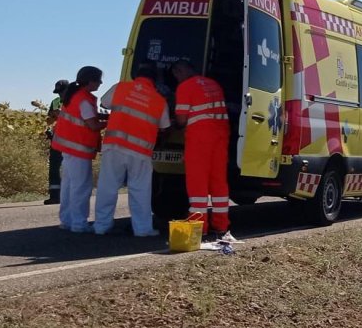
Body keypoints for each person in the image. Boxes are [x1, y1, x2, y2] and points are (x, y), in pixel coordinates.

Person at [94, 63, 169, 237]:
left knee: (107, 186)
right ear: (154, 80)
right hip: (141, 152)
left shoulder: (120, 88)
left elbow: (104, 103)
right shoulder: (159, 100)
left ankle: (101, 226)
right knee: (140, 190)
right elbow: (165, 126)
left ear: (136, 75)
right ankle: (142, 229)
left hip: (114, 146)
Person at [170, 60, 235, 242]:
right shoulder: (213, 84)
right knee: (218, 183)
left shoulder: (185, 87)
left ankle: (199, 227)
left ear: (179, 72)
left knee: (197, 182)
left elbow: (182, 119)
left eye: (176, 75)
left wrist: (173, 124)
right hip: (221, 136)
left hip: (200, 138)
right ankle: (221, 225)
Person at [51, 67, 106, 233]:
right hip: (79, 149)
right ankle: (79, 224)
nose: (101, 83)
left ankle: (67, 220)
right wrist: (114, 122)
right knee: (81, 188)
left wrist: (106, 117)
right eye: (98, 80)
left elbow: (88, 117)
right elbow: (93, 125)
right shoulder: (84, 100)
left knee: (69, 186)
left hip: (68, 148)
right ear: (90, 81)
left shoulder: (75, 95)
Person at [43, 79, 69, 204]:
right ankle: (54, 196)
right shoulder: (55, 102)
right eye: (58, 93)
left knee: (70, 167)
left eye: (62, 92)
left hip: (71, 138)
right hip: (57, 137)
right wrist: (48, 128)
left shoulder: (74, 101)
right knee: (54, 166)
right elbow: (50, 119)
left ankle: (69, 195)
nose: (60, 95)